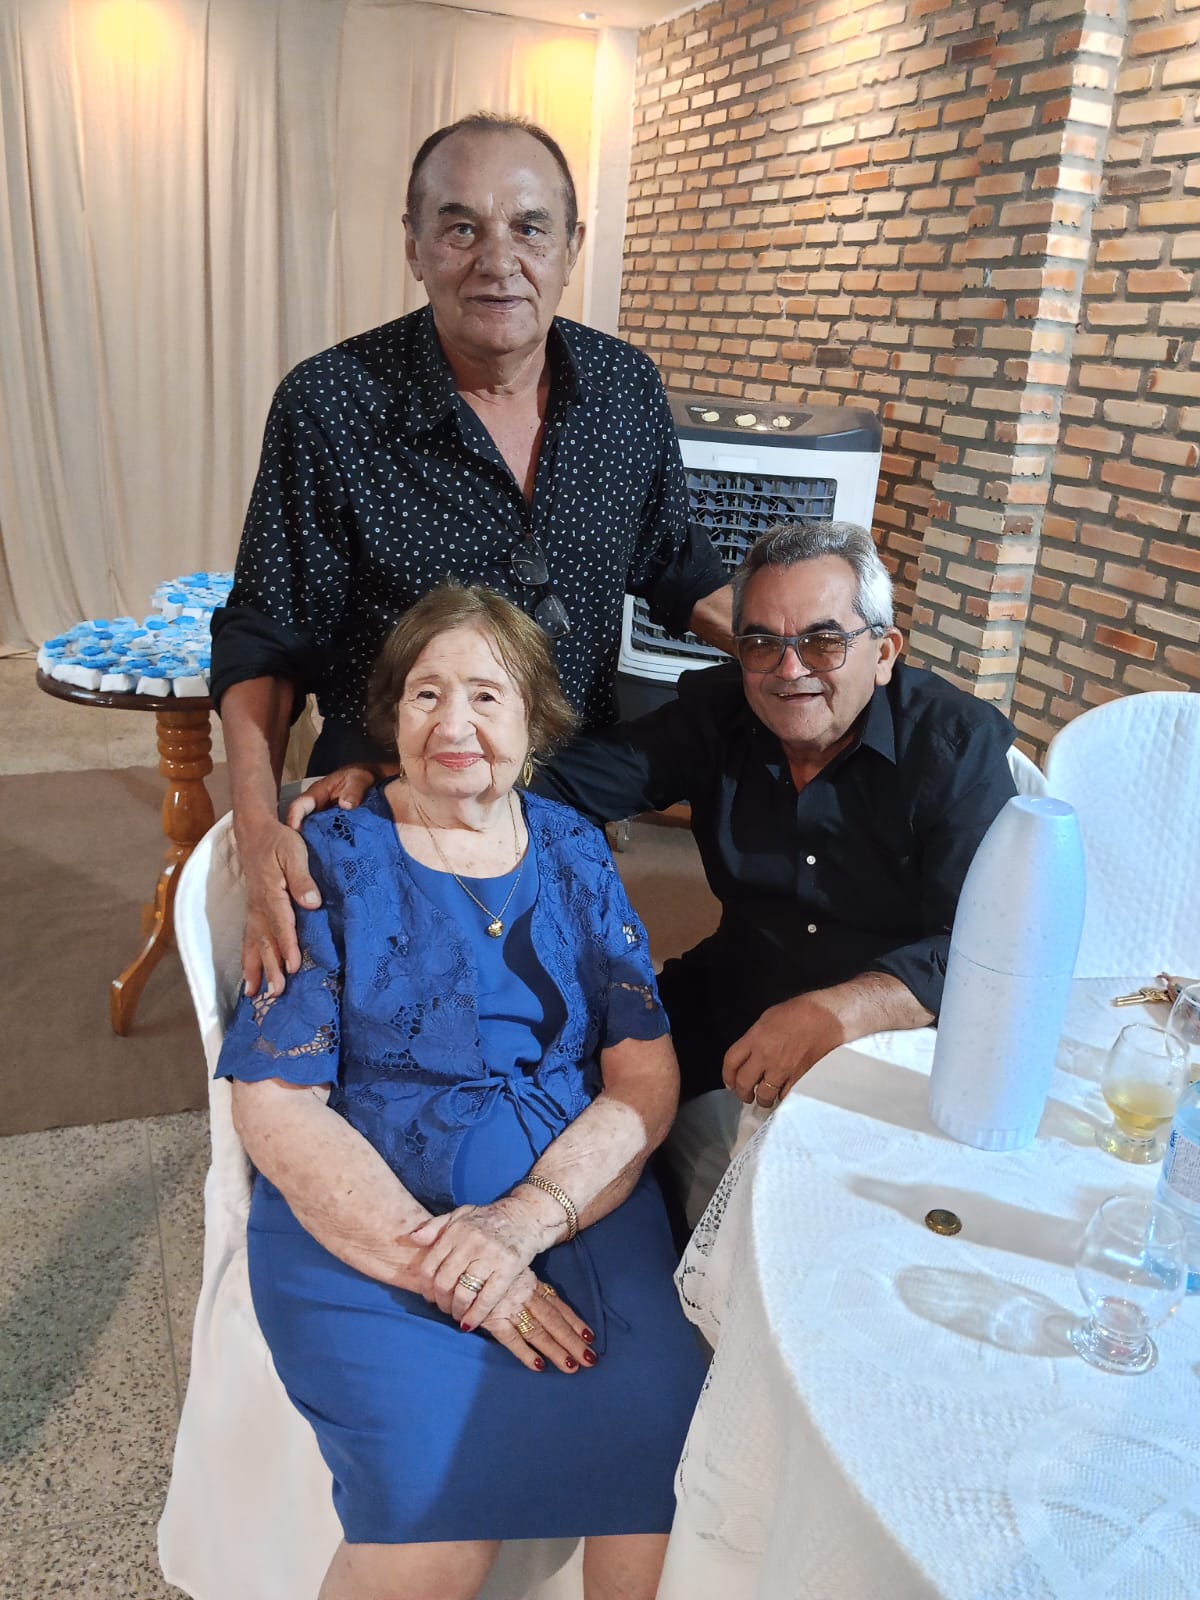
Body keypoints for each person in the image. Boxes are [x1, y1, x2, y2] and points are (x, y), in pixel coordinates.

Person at [217, 583, 707, 1600]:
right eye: (426, 693)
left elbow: (644, 1072)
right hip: (372, 1230)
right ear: (392, 715)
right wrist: (460, 1268)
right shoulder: (328, 857)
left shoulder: (573, 849)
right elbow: (276, 1102)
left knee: (666, 1469)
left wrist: (523, 1222)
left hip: (576, 1207)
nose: (453, 724)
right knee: (436, 1530)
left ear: (534, 718)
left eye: (486, 695)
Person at [211, 110, 732, 999]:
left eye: (530, 228)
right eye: (461, 229)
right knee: (405, 1031)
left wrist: (812, 648)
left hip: (567, 791)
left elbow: (677, 564)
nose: (499, 260)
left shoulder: (624, 388)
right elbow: (265, 640)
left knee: (569, 1018)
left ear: (571, 246)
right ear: (414, 246)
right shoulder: (331, 405)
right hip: (394, 791)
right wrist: (256, 833)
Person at [293, 520, 1018, 1116]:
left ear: (883, 652)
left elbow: (996, 944)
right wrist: (416, 771)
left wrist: (845, 1010)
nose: (790, 670)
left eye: (824, 642)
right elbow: (564, 784)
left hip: (900, 1029)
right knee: (582, 1095)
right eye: (761, 643)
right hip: (739, 986)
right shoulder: (719, 716)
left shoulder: (955, 747)